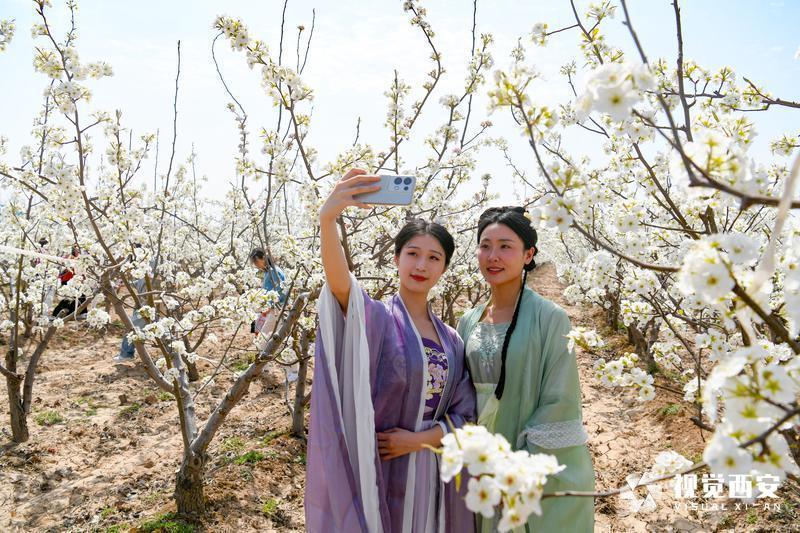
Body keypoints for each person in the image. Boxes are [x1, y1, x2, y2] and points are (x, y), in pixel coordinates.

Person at [305, 168, 477, 532]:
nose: (421, 265)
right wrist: (328, 220)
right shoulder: (378, 319)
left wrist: (417, 441)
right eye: (413, 253)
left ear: (444, 269)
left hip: (433, 472)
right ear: (396, 258)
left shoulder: (452, 340)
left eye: (434, 258)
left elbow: (465, 415)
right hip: (382, 468)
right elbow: (341, 287)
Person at [457, 206, 595, 532]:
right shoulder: (468, 321)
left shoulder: (551, 318)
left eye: (505, 246)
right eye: (485, 246)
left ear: (528, 254)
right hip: (476, 459)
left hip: (522, 455)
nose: (493, 256)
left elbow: (560, 401)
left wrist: (515, 467)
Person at [249, 248, 286, 336]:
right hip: (269, 308)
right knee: (255, 328)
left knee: (263, 336)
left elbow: (281, 291)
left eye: (256, 262)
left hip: (277, 309)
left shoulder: (274, 272)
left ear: (263, 258)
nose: (256, 265)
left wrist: (269, 307)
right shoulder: (268, 272)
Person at [51, 245, 87, 318]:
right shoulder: (68, 257)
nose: (78, 251)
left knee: (81, 296)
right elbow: (65, 268)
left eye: (78, 250)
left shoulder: (81, 258)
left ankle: (81, 312)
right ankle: (57, 312)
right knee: (68, 298)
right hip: (68, 280)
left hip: (78, 280)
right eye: (76, 250)